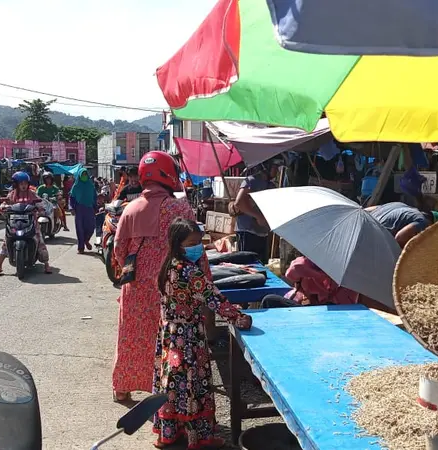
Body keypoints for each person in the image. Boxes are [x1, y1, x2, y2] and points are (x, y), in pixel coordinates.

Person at [152, 218, 251, 449]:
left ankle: (169, 434)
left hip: (170, 333)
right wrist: (240, 318)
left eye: (199, 242)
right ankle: (196, 438)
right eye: (191, 242)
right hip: (187, 337)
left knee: (172, 383)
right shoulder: (189, 271)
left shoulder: (169, 265)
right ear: (178, 243)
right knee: (190, 384)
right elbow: (213, 298)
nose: (197, 247)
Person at [112, 151, 203, 402]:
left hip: (135, 286)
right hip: (169, 287)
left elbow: (119, 251)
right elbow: (195, 248)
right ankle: (165, 395)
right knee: (166, 339)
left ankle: (123, 387)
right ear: (168, 174)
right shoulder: (180, 207)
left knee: (130, 336)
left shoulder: (130, 208)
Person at [0, 171, 52, 275]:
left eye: (25, 183)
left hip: (31, 222)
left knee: (40, 241)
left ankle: (46, 265)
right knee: (6, 241)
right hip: (14, 222)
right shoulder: (12, 194)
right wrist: (1, 207)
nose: (23, 185)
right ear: (16, 184)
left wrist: (41, 209)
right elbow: (5, 202)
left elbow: (40, 202)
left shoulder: (32, 193)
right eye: (21, 183)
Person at [260, 256, 359, 308]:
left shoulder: (348, 272)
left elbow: (294, 271)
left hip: (328, 313)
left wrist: (319, 274)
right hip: (309, 306)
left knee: (269, 300)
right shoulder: (311, 264)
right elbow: (291, 273)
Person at [232, 161, 281, 264]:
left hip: (262, 232)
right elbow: (239, 203)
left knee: (262, 265)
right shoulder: (251, 181)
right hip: (247, 231)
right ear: (266, 167)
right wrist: (258, 216)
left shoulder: (271, 186)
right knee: (248, 265)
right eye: (275, 167)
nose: (277, 171)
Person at [365, 202, 436, 248]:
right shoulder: (423, 222)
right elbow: (399, 238)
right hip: (373, 238)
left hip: (364, 224)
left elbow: (367, 210)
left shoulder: (400, 204)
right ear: (432, 225)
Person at [69, 170, 98, 253]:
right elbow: (71, 198)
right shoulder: (76, 186)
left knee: (91, 227)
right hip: (79, 209)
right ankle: (80, 247)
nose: (84, 176)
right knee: (80, 229)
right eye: (83, 174)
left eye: (86, 174)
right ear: (79, 176)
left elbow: (94, 197)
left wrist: (96, 207)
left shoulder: (91, 186)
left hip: (89, 208)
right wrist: (71, 208)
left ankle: (86, 240)